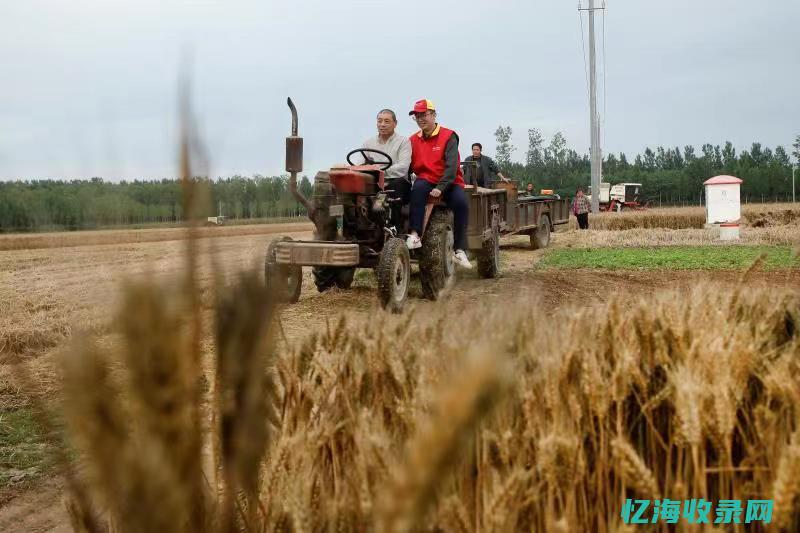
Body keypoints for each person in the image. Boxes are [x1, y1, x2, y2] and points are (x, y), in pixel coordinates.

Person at [405, 99, 472, 269]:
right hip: (426, 179)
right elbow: (408, 165)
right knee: (417, 189)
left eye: (424, 114)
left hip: (449, 181)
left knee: (461, 204)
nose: (420, 119)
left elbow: (451, 167)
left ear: (433, 115)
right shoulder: (412, 140)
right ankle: (415, 235)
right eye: (417, 116)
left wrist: (440, 188)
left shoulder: (449, 136)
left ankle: (459, 249)